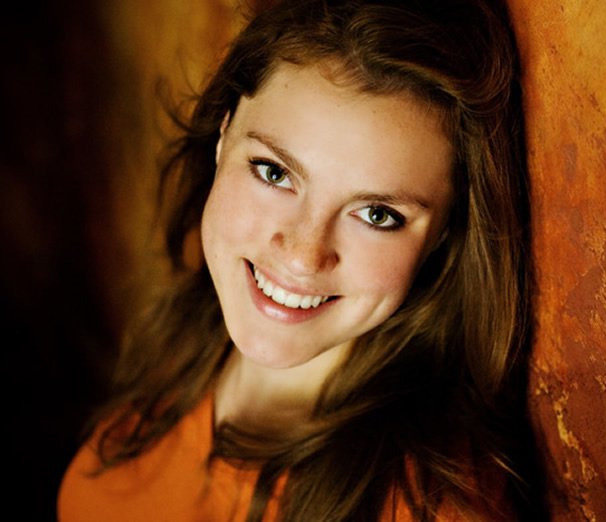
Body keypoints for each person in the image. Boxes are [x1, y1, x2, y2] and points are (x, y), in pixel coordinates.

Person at [58, 0, 546, 520]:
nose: (302, 255)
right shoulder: (180, 349)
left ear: (446, 231)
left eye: (377, 214)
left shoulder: (430, 506)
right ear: (223, 137)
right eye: (273, 172)